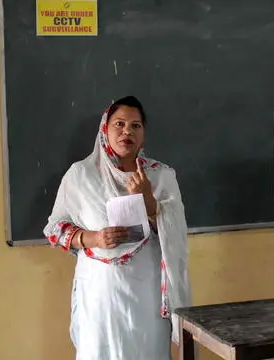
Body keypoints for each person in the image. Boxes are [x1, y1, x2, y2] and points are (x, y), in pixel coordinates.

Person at [43, 96, 192, 359]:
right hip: (101, 293)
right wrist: (93, 238)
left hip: (148, 293)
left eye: (136, 126)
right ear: (105, 129)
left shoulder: (161, 175)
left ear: (143, 134)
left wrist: (148, 201)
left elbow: (178, 233)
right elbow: (54, 229)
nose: (127, 131)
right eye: (119, 124)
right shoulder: (81, 175)